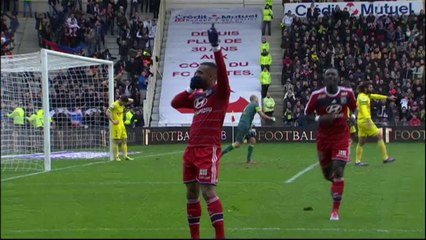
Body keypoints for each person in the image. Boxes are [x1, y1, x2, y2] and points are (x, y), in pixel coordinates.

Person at [170, 24, 229, 239]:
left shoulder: (220, 93)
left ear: (212, 78)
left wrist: (216, 47)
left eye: (200, 73)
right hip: (191, 150)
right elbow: (175, 103)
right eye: (195, 72)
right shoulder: (197, 97)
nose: (196, 75)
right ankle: (195, 236)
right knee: (191, 192)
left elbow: (222, 72)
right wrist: (189, 87)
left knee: (208, 191)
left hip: (207, 149)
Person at [304, 68, 357, 221]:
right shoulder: (317, 96)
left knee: (338, 170)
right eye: (328, 75)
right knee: (328, 175)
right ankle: (336, 187)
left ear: (338, 78)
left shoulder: (347, 93)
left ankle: (335, 211)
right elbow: (307, 114)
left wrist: (353, 116)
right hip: (323, 139)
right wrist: (319, 119)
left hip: (341, 137)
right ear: (324, 78)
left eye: (333, 74)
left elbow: (355, 108)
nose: (331, 77)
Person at [221, 95, 275, 164]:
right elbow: (263, 116)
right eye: (257, 99)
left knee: (252, 140)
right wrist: (271, 118)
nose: (258, 100)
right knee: (237, 144)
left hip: (243, 125)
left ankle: (248, 160)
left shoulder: (248, 106)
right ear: (254, 99)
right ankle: (221, 153)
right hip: (244, 126)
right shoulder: (255, 105)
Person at [355, 81, 397, 166]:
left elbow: (375, 96)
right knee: (379, 135)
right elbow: (363, 109)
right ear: (365, 89)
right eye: (370, 87)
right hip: (365, 121)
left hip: (360, 121)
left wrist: (387, 97)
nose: (372, 89)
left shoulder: (363, 95)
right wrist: (368, 120)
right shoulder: (363, 98)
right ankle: (385, 158)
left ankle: (357, 162)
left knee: (361, 141)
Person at [106, 96, 135, 161]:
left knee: (124, 140)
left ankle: (125, 156)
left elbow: (132, 100)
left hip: (122, 124)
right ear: (121, 100)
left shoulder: (122, 104)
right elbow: (107, 112)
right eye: (124, 103)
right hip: (116, 125)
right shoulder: (114, 105)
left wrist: (125, 100)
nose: (125, 104)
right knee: (116, 141)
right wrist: (113, 121)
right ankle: (116, 157)